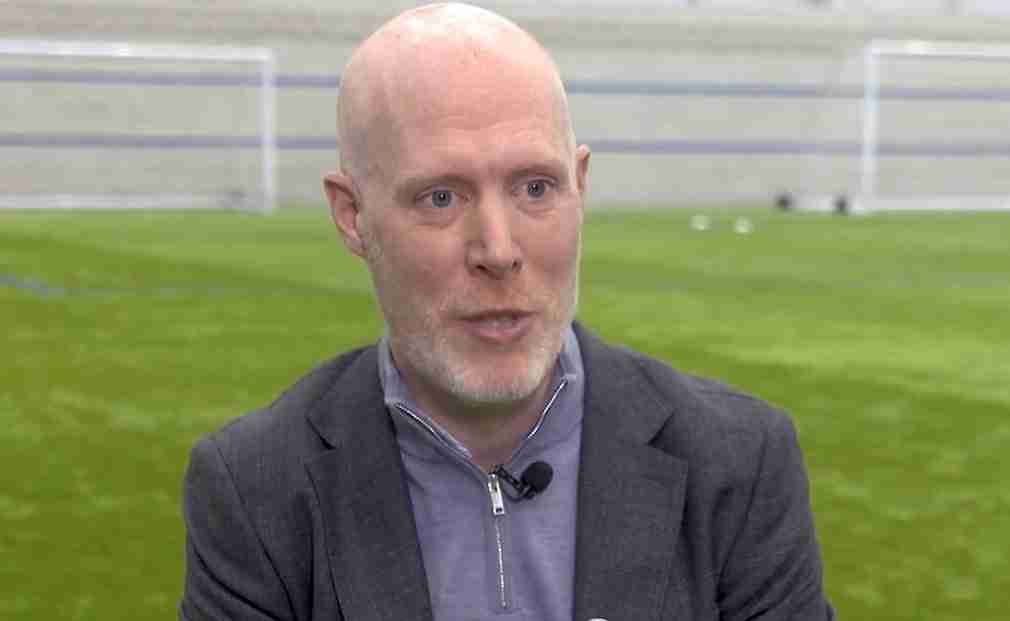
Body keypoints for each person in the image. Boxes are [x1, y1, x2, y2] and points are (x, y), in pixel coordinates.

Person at [179, 4, 835, 620]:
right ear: (353, 216)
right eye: (441, 197)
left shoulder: (741, 464)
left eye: (535, 188)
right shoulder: (254, 488)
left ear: (581, 187)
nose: (498, 250)